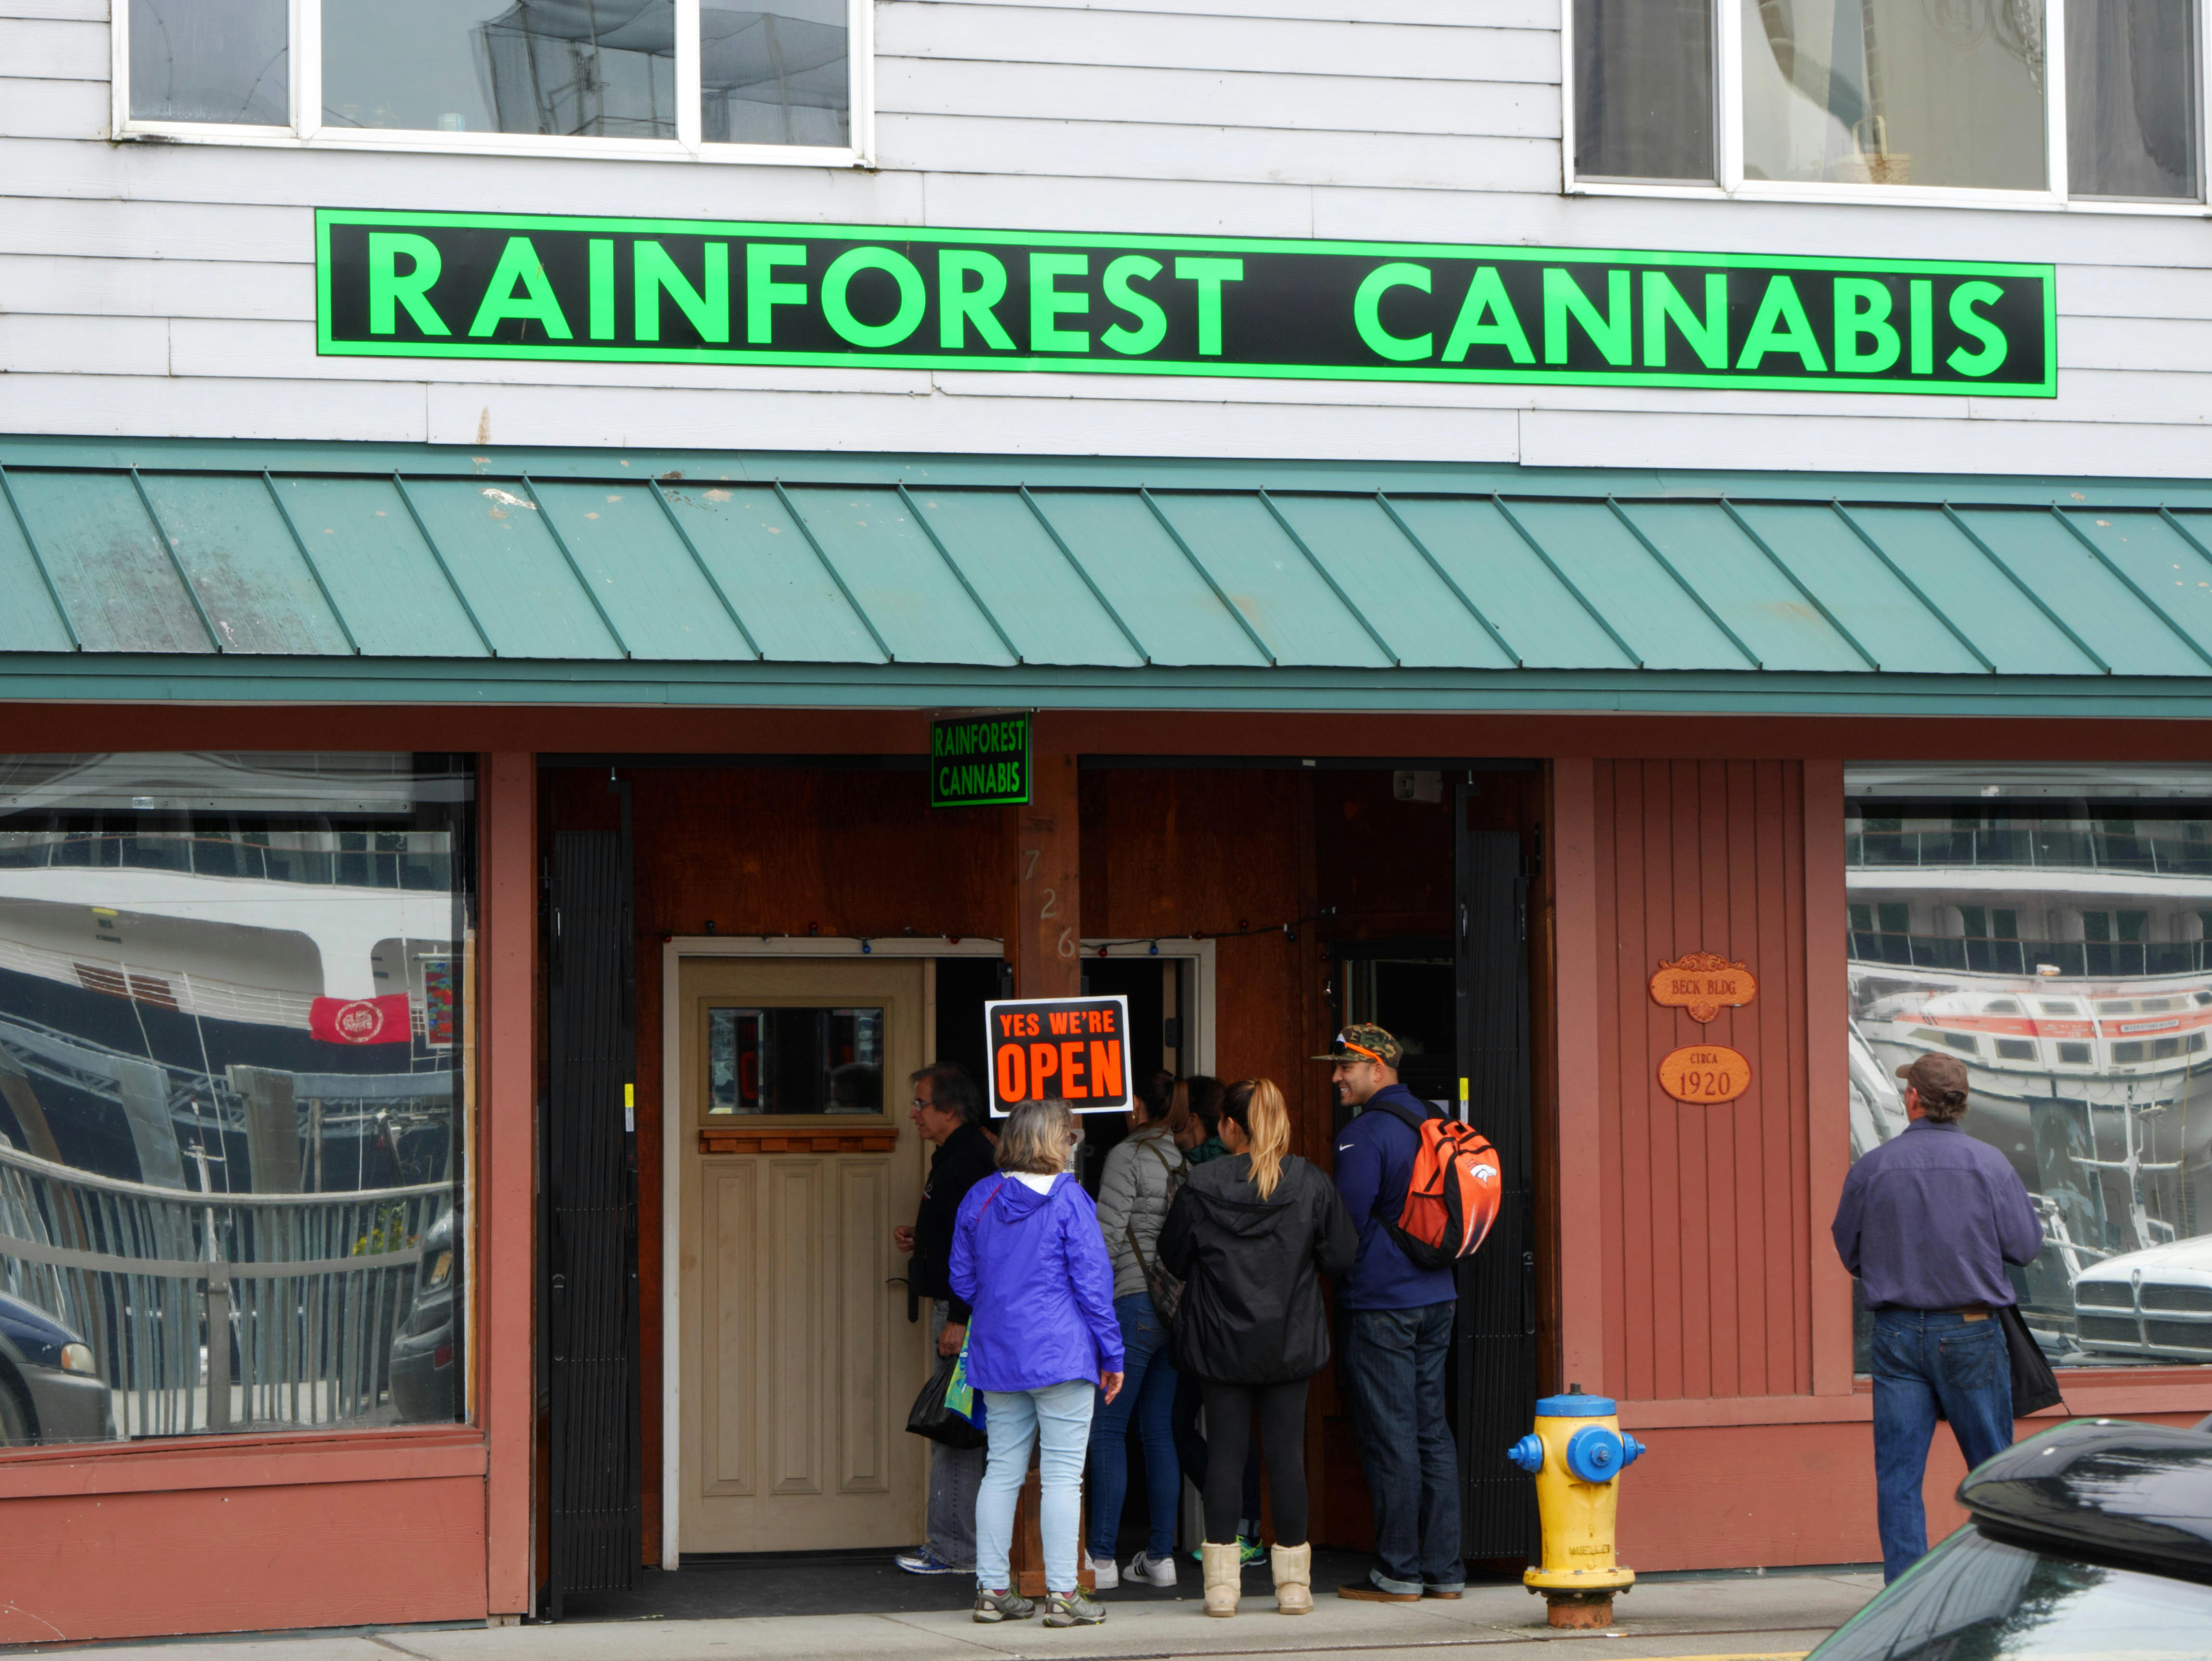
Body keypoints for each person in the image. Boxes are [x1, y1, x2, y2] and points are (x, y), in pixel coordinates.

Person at [1831, 1052, 2042, 1583]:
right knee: (1992, 1470)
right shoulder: (1989, 1163)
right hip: (1970, 1330)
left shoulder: (1873, 1166)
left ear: (1912, 1099)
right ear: (1959, 1102)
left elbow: (1849, 1252)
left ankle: (1904, 1595)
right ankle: (2004, 1586)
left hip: (1897, 1333)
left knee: (1898, 1477)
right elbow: (2024, 1246)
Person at [1159, 1078, 1356, 1618]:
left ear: (1228, 1127)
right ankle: (1293, 1586)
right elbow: (1340, 1256)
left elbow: (1173, 1258)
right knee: (1285, 1456)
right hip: (1289, 1340)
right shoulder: (1310, 1182)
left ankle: (1221, 1588)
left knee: (1225, 1455)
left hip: (1220, 1341)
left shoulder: (1201, 1183)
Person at [949, 1099, 1126, 1629]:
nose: (1072, 1144)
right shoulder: (1071, 1199)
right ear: (1055, 1142)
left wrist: (999, 1303)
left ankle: (991, 1589)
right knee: (1062, 1478)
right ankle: (1063, 1594)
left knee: (1001, 1469)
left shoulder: (980, 1197)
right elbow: (1094, 1287)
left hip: (998, 1353)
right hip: (1061, 1355)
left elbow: (960, 1280)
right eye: (1068, 1136)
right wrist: (1111, 1353)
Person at [1323, 1024, 1464, 1604]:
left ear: (1376, 1070)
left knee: (1391, 1434)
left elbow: (1344, 1230)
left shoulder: (1365, 1134)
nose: (1335, 1077)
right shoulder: (1436, 1123)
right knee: (1432, 1429)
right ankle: (1444, 1570)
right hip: (1439, 1296)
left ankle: (1398, 1571)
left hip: (1383, 1302)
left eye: (1344, 1067)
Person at [1083, 1075, 1191, 1590]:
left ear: (1139, 1105)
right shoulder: (1182, 1160)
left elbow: (1105, 1235)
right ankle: (1160, 1557)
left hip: (1130, 1301)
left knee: (1106, 1429)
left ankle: (1101, 1560)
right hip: (1174, 1310)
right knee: (1159, 1432)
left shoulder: (1126, 1156)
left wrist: (1089, 1306)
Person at [891, 1064, 998, 1577]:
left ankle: (955, 1549)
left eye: (921, 1104)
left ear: (950, 1109)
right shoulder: (954, 1155)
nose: (913, 1113)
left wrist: (959, 1316)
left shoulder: (973, 1159)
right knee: (955, 1422)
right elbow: (956, 1230)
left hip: (965, 1317)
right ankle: (957, 1545)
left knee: (954, 1425)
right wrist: (923, 1238)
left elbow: (979, 1245)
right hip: (954, 1309)